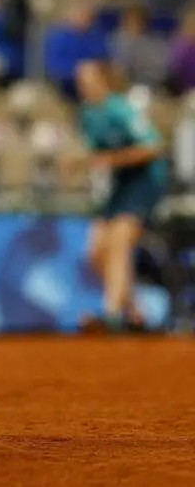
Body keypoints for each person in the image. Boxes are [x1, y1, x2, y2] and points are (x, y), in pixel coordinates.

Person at [68, 60, 169, 333]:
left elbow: (153, 148)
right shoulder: (88, 114)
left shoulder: (121, 109)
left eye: (87, 79)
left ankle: (111, 314)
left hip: (145, 181)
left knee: (119, 242)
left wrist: (111, 159)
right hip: (120, 183)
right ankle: (135, 313)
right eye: (80, 81)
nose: (82, 86)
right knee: (96, 251)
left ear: (103, 80)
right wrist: (78, 164)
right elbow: (95, 155)